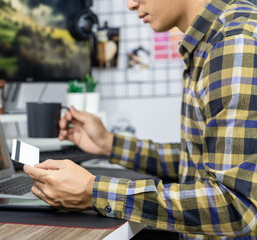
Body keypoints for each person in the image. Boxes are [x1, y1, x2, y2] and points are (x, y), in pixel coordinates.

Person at [24, 0, 257, 238]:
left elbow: (237, 204)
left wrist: (94, 191)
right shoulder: (213, 40)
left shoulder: (235, 41)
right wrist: (108, 143)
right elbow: (198, 161)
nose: (130, 4)